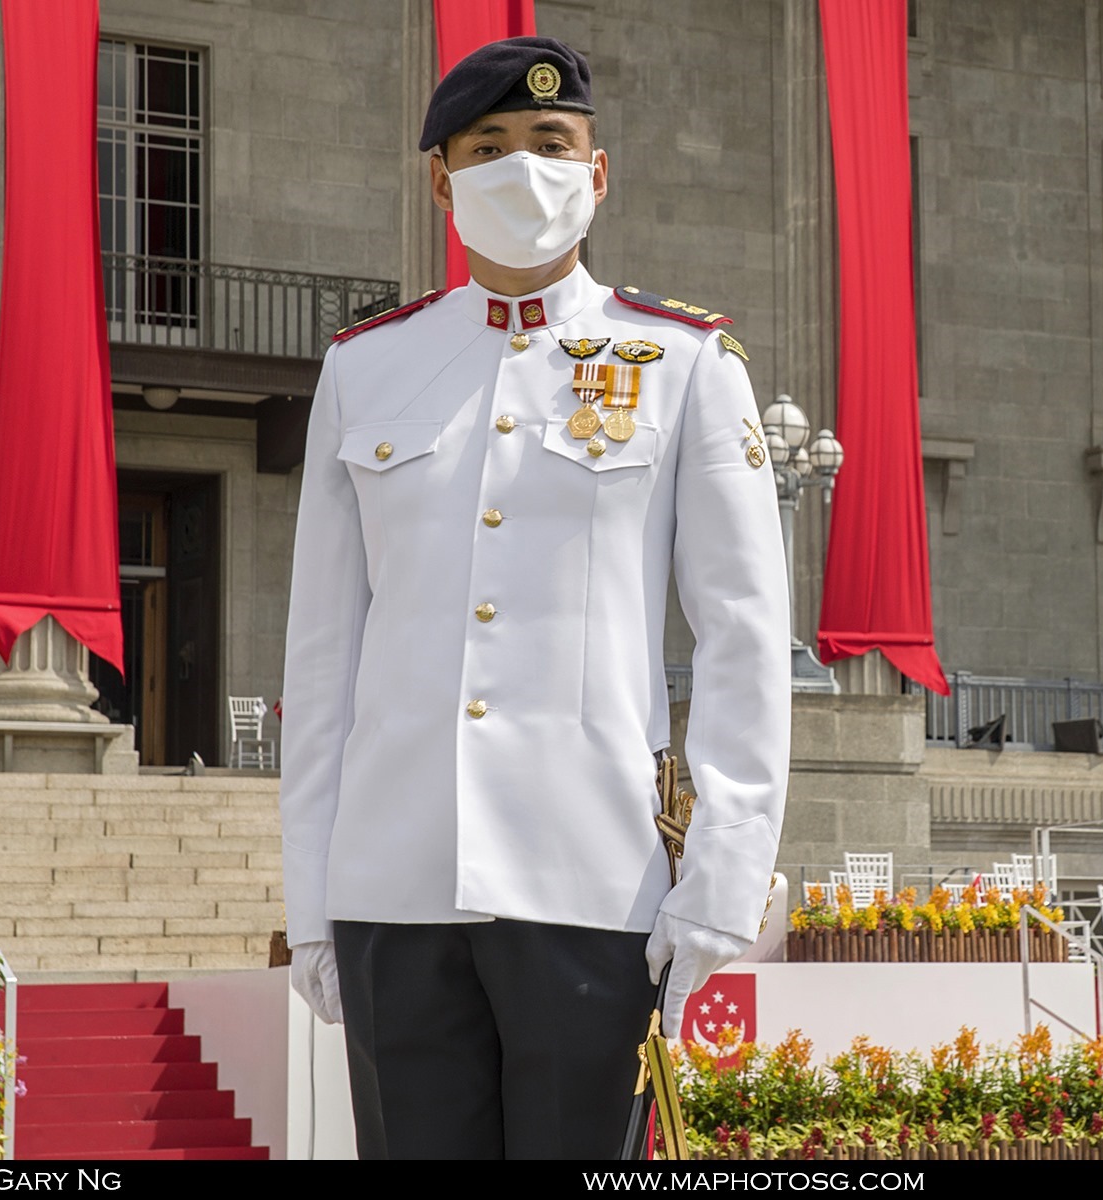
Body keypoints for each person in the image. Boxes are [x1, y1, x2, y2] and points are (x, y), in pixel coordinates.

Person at [278, 36, 791, 1159]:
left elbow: (747, 638)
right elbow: (321, 656)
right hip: (393, 883)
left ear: (596, 174)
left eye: (551, 145)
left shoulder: (686, 364)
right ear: (442, 178)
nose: (523, 169)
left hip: (591, 880)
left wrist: (724, 880)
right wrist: (310, 895)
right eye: (489, 147)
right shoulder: (368, 367)